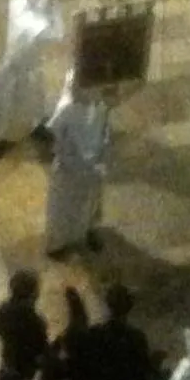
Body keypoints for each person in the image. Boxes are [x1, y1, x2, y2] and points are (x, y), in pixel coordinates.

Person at [0, 0, 65, 151]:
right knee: (14, 109)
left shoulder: (17, 4)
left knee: (22, 105)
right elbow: (57, 33)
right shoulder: (33, 26)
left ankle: (25, 128)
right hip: (22, 74)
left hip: (22, 71)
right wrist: (54, 6)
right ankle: (4, 139)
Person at [44, 80, 109, 256]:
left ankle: (87, 230)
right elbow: (57, 139)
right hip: (69, 167)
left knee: (90, 202)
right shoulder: (67, 109)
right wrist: (71, 157)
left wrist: (100, 152)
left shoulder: (100, 104)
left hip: (92, 164)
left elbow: (103, 129)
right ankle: (58, 243)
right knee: (64, 208)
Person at [0, 270, 49, 380]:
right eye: (36, 289)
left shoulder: (4, 308)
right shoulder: (31, 315)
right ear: (32, 292)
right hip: (27, 373)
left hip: (7, 369)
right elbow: (41, 347)